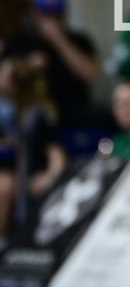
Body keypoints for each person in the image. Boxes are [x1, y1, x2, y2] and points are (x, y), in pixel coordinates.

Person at [3, 0, 101, 130]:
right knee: (39, 119)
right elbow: (3, 82)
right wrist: (27, 66)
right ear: (34, 14)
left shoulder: (79, 41)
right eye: (44, 14)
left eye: (55, 15)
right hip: (28, 106)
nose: (49, 21)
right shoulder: (20, 41)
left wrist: (60, 40)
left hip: (71, 106)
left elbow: (92, 75)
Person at [0, 56, 66, 242]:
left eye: (2, 75)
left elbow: (57, 158)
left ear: (13, 86)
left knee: (4, 186)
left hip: (26, 178)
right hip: (8, 171)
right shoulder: (4, 111)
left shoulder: (39, 117)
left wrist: (48, 178)